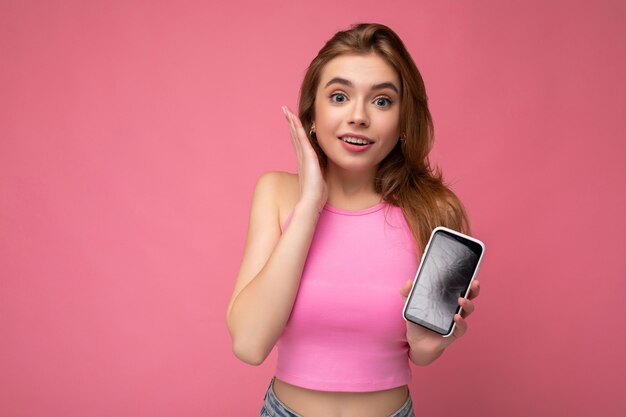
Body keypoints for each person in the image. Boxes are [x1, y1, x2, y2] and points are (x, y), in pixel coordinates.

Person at [226, 23, 481, 417]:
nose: (358, 116)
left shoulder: (433, 209)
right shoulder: (277, 194)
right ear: (312, 113)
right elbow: (248, 343)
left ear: (401, 122)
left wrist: (428, 341)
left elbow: (424, 355)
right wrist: (311, 203)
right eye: (340, 96)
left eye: (381, 101)